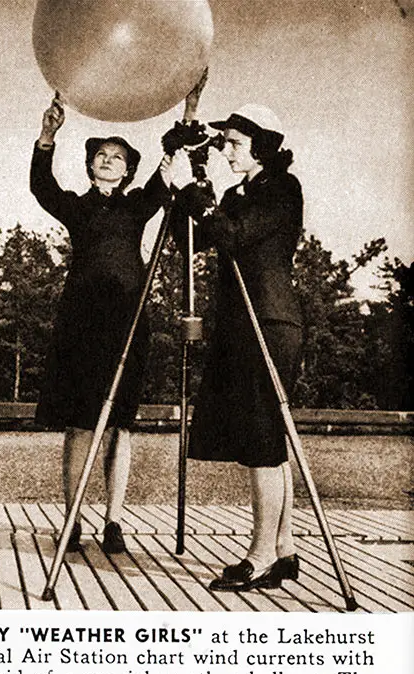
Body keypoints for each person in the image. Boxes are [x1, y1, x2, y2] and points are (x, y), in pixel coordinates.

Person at [31, 94, 173, 554]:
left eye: (118, 157)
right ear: (91, 166)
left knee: (121, 427)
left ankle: (113, 522)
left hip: (129, 324)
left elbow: (172, 162)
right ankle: (72, 521)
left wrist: (190, 107)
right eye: (101, 156)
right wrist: (47, 136)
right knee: (80, 425)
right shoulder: (76, 207)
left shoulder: (138, 206)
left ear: (129, 171)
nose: (109, 161)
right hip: (81, 325)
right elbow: (41, 187)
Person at [173, 103, 304, 591]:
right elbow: (199, 239)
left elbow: (231, 236)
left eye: (234, 143)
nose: (226, 149)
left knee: (262, 444)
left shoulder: (281, 189)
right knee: (266, 442)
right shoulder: (236, 192)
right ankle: (284, 548)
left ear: (262, 147)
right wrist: (187, 186)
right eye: (224, 142)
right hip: (241, 324)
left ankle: (261, 555)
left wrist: (190, 189)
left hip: (267, 320)